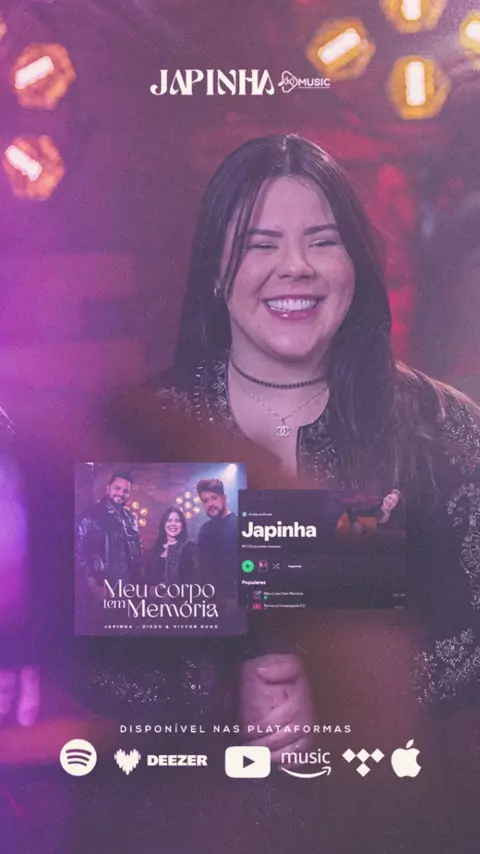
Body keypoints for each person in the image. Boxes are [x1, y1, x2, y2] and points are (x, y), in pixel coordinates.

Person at [112, 132, 480, 730]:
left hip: (394, 784)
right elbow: (100, 665)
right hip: (196, 786)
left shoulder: (447, 430)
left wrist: (341, 697)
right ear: (214, 270)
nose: (295, 267)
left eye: (322, 242)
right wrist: (228, 697)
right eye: (261, 245)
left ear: (355, 265)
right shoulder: (152, 432)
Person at [75, 472, 143, 634]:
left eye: (125, 491)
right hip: (103, 587)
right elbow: (79, 553)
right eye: (117, 488)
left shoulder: (130, 518)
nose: (121, 493)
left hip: (128, 589)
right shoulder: (90, 517)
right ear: (108, 488)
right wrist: (93, 586)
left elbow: (136, 549)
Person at [147, 505, 198, 586]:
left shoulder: (191, 549)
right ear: (164, 525)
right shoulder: (155, 549)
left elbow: (196, 580)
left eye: (177, 521)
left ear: (182, 526)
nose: (173, 524)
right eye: (169, 520)